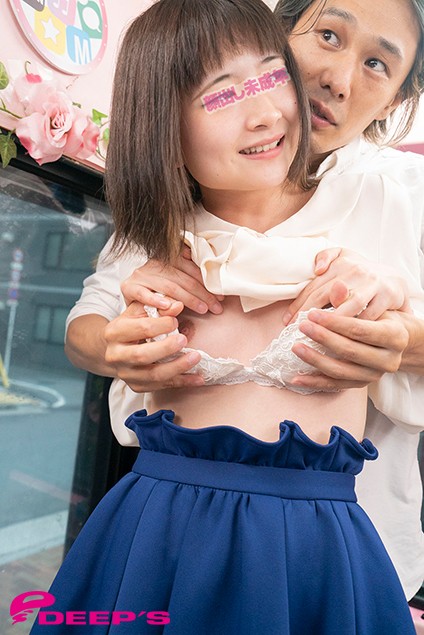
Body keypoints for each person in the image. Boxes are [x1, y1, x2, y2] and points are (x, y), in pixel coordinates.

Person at [31, 0, 418, 633]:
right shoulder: (161, 229)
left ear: (401, 95)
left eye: (378, 63)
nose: (339, 79)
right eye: (328, 35)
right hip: (161, 525)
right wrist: (117, 342)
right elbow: (91, 321)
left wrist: (399, 328)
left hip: (327, 542)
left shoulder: (393, 200)